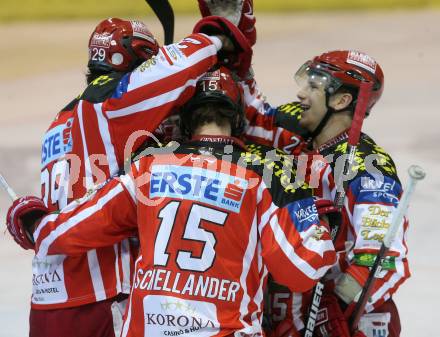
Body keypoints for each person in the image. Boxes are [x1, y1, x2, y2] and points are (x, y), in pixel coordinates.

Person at [7, 66, 337, 336]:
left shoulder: (148, 165)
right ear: (237, 119)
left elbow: (65, 232)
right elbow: (301, 271)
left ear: (184, 119)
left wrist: (34, 223)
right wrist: (318, 226)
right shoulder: (269, 171)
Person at [6, 16, 253, 337]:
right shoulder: (112, 103)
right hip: (100, 298)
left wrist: (33, 224)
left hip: (47, 302)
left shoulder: (59, 123)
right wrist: (218, 38)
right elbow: (174, 67)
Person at [247, 51, 410, 337]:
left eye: (313, 87)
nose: (300, 94)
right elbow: (251, 119)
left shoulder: (369, 167)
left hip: (349, 322)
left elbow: (382, 257)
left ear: (341, 100)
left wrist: (337, 306)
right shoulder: (297, 130)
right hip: (291, 312)